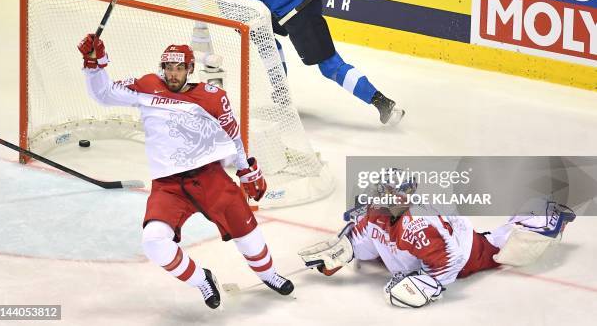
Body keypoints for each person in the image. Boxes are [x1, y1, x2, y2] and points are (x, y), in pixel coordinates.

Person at [77, 34, 294, 309]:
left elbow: (234, 135)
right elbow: (103, 94)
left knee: (248, 236)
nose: (173, 73)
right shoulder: (146, 86)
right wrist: (94, 63)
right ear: (162, 67)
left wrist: (246, 169)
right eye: (168, 67)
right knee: (153, 241)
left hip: (209, 177)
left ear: (190, 69)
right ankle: (202, 280)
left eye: (179, 68)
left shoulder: (213, 97)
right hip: (168, 186)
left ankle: (269, 275)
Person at [181, 0, 405, 126]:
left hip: (298, 1)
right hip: (271, 13)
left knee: (329, 66)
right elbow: (237, 13)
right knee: (263, 40)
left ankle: (381, 102)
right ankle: (282, 96)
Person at [298, 173, 576, 308]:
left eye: (384, 192)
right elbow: (363, 238)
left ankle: (546, 219)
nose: (376, 197)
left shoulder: (419, 226)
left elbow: (451, 260)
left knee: (497, 250)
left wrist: (427, 284)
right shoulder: (376, 214)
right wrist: (343, 253)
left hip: (465, 250)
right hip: (428, 247)